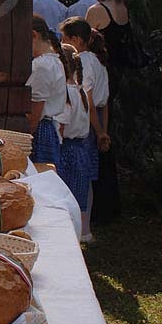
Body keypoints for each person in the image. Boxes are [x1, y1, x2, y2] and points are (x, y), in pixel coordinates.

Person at [84, 0, 127, 223]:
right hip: (120, 77)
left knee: (96, 138)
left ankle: (98, 206)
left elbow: (86, 49)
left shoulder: (96, 11)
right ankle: (111, 203)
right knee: (109, 142)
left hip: (100, 78)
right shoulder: (122, 7)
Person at [60, 17, 112, 229]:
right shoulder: (99, 62)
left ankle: (82, 226)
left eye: (64, 38)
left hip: (86, 124)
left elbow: (88, 100)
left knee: (79, 176)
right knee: (86, 175)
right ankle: (85, 225)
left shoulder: (82, 62)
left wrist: (99, 132)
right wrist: (104, 130)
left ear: (76, 40)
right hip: (95, 121)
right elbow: (104, 103)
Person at [55, 44, 94, 242]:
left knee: (65, 199)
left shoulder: (67, 94)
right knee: (77, 198)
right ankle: (78, 235)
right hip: (81, 150)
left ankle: (67, 239)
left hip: (67, 151)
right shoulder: (80, 91)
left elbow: (62, 126)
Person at [26, 15, 67, 169]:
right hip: (48, 129)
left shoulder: (41, 65)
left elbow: (34, 114)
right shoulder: (54, 61)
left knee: (39, 179)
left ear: (33, 35)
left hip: (40, 133)